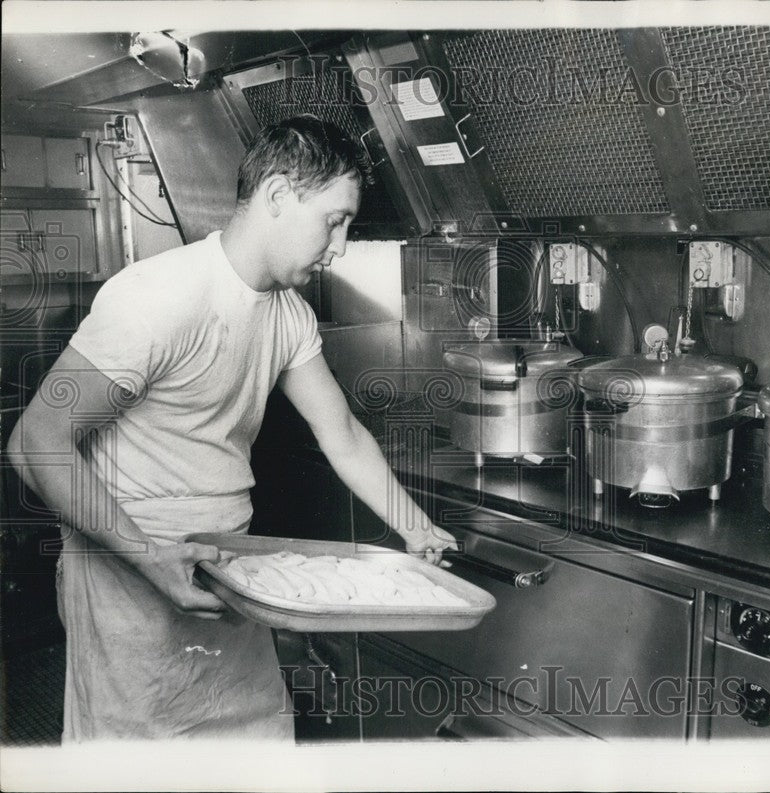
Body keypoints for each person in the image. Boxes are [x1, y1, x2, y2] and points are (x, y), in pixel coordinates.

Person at [8, 115, 457, 742]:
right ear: (277, 195)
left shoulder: (288, 314)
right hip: (129, 570)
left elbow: (343, 434)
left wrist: (414, 526)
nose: (342, 247)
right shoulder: (158, 298)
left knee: (255, 742)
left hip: (226, 564)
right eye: (335, 220)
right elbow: (37, 443)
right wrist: (149, 557)